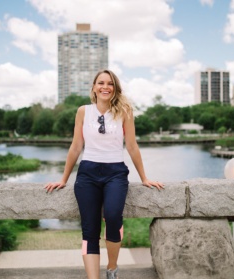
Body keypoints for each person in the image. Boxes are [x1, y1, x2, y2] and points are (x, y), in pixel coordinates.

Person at [45, 69, 164, 279]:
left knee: (112, 216)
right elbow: (75, 147)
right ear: (94, 87)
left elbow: (133, 147)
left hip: (115, 173)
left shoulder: (124, 111)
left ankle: (111, 268)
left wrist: (144, 178)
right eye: (101, 83)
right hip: (87, 173)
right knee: (89, 229)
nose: (105, 87)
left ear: (115, 88)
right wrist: (63, 179)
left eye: (110, 83)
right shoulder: (83, 111)